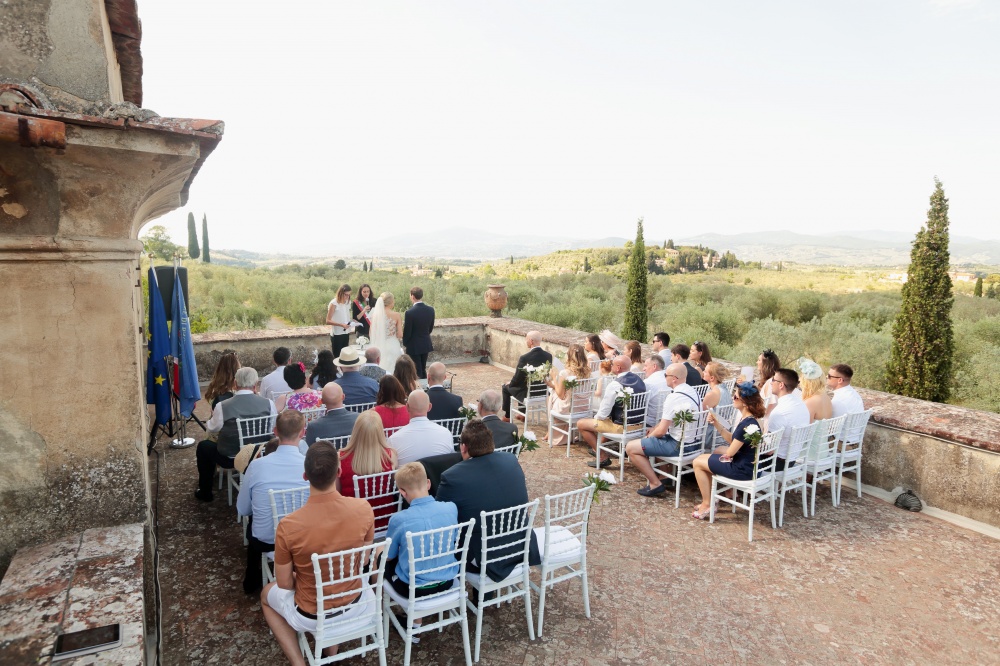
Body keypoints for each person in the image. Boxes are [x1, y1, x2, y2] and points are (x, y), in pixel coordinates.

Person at [260, 444, 375, 666]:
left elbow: (284, 584)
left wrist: (310, 578)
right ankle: (330, 654)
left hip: (312, 614)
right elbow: (364, 560)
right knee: (337, 578)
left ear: (305, 476)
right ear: (339, 472)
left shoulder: (288, 526)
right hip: (356, 604)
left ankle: (298, 662)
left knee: (266, 594)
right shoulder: (363, 508)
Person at [436, 419, 540, 582]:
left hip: (483, 556)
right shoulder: (511, 460)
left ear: (463, 447)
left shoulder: (452, 476)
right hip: (521, 545)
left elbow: (440, 519)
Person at [237, 410, 308, 594]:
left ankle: (251, 581)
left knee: (253, 522)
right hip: (303, 538)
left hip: (267, 540)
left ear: (275, 431)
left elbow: (242, 509)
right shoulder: (310, 464)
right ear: (303, 432)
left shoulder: (256, 465)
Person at [195, 367, 276, 501]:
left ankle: (205, 492)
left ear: (235, 384)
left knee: (203, 447)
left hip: (231, 457)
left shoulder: (222, 405)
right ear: (255, 385)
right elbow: (272, 427)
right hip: (259, 454)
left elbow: (212, 428)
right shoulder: (269, 403)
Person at [690, 381, 766, 520]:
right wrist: (717, 425)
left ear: (744, 402)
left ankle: (707, 504)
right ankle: (710, 500)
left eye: (736, 397)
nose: (733, 398)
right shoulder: (753, 420)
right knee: (704, 458)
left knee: (697, 462)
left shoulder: (747, 424)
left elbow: (730, 453)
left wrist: (721, 456)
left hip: (742, 469)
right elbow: (734, 441)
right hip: (752, 466)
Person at [384, 463, 459, 600]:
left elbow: (388, 556)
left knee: (380, 554)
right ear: (428, 483)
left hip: (413, 589)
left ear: (402, 492)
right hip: (447, 581)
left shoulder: (398, 519)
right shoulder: (451, 508)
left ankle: (412, 619)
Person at [626, 363, 701, 496]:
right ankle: (665, 475)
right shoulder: (693, 391)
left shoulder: (673, 397)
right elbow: (665, 424)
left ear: (674, 379)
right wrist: (655, 429)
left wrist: (646, 439)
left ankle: (655, 484)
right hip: (695, 444)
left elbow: (661, 432)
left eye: (666, 375)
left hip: (678, 446)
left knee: (631, 447)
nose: (664, 377)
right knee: (654, 434)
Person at [577, 355, 646, 469]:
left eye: (612, 364)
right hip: (638, 425)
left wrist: (596, 418)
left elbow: (603, 413)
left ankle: (602, 456)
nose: (611, 366)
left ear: (618, 368)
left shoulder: (615, 384)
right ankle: (598, 448)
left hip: (621, 427)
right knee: (606, 420)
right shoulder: (640, 380)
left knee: (581, 423)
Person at [338, 411, 398, 499]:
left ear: (356, 430)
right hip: (385, 511)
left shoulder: (340, 457)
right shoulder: (391, 455)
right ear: (380, 431)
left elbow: (337, 492)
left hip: (352, 511)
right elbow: (392, 487)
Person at [388, 390, 456, 465]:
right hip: (438, 476)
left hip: (409, 476)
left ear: (407, 407)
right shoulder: (446, 433)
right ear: (429, 407)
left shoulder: (393, 440)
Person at [545, 344, 591, 448]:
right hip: (582, 407)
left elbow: (561, 395)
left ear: (569, 356)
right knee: (553, 393)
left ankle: (552, 434)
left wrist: (554, 378)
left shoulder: (565, 373)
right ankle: (558, 433)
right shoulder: (588, 372)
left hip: (568, 408)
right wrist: (553, 385)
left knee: (551, 396)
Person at [501, 331, 553, 420]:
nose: (526, 342)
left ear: (531, 341)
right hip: (543, 391)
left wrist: (510, 383)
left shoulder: (524, 358)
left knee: (506, 387)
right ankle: (521, 413)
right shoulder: (548, 356)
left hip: (529, 392)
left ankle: (507, 416)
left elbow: (518, 377)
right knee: (521, 385)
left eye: (527, 340)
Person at [765, 368, 811, 470]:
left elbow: (769, 450)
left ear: (781, 385)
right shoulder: (801, 405)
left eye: (773, 380)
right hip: (791, 459)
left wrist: (763, 436)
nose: (771, 383)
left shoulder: (779, 412)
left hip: (775, 463)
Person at [402, 286, 435, 379]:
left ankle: (419, 389)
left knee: (416, 370)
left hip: (413, 345)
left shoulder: (409, 312)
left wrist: (405, 343)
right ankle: (425, 388)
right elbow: (430, 328)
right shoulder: (430, 310)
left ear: (412, 296)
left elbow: (408, 331)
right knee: (423, 367)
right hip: (425, 343)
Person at [369, 291, 404, 372]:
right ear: (391, 302)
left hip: (379, 345)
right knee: (394, 368)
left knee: (381, 366)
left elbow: (371, 333)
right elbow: (400, 334)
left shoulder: (375, 315)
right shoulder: (396, 315)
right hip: (392, 344)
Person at [702, 362, 734, 449]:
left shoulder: (712, 394)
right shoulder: (725, 390)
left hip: (711, 436)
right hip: (724, 432)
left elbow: (701, 418)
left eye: (705, 371)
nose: (703, 372)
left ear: (712, 378)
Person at [797, 358, 832, 422]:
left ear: (806, 382)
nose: (799, 380)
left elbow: (805, 427)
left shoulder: (810, 402)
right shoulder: (826, 397)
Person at [326, 283, 355, 358]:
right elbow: (328, 320)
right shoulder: (334, 303)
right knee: (337, 357)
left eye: (349, 295)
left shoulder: (348, 302)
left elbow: (346, 317)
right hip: (337, 334)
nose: (347, 297)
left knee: (345, 357)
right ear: (340, 293)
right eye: (346, 294)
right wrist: (341, 325)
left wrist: (351, 322)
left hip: (346, 332)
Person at [640, 354, 669, 428]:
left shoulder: (648, 382)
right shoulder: (671, 380)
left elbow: (640, 404)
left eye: (646, 366)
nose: (643, 369)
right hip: (668, 421)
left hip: (650, 423)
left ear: (654, 366)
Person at [756, 349, 781, 415]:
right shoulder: (770, 380)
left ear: (766, 364)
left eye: (759, 360)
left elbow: (770, 406)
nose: (757, 362)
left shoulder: (771, 383)